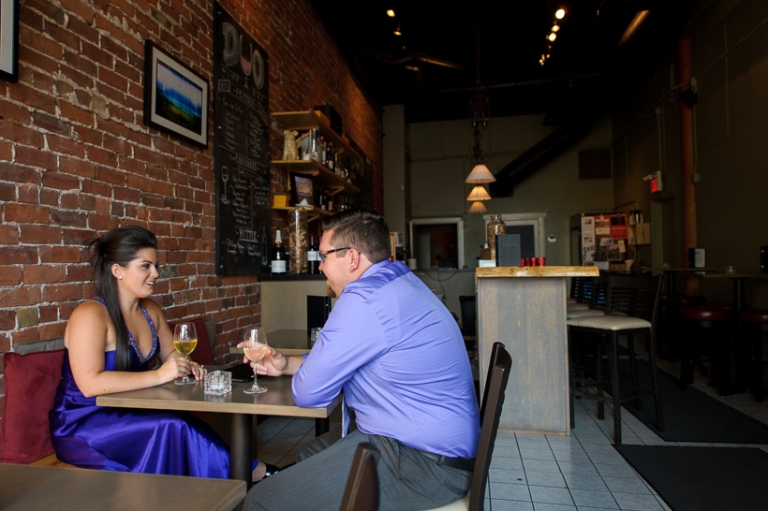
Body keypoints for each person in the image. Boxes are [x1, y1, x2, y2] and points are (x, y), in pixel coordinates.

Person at [242, 209, 480, 511]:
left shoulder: (363, 299)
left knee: (259, 501)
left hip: (422, 464)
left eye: (324, 256)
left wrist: (303, 371)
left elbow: (308, 394)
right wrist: (286, 364)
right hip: (440, 451)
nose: (320, 267)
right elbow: (340, 361)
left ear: (352, 258)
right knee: (308, 455)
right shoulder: (401, 282)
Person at [49, 226, 277, 482]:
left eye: (155, 266)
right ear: (117, 271)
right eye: (145, 266)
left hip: (131, 410)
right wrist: (160, 375)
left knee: (179, 422)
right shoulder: (89, 315)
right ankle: (251, 474)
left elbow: (173, 357)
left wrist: (187, 366)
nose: (155, 274)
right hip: (85, 423)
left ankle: (239, 478)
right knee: (172, 426)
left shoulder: (151, 310)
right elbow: (90, 385)